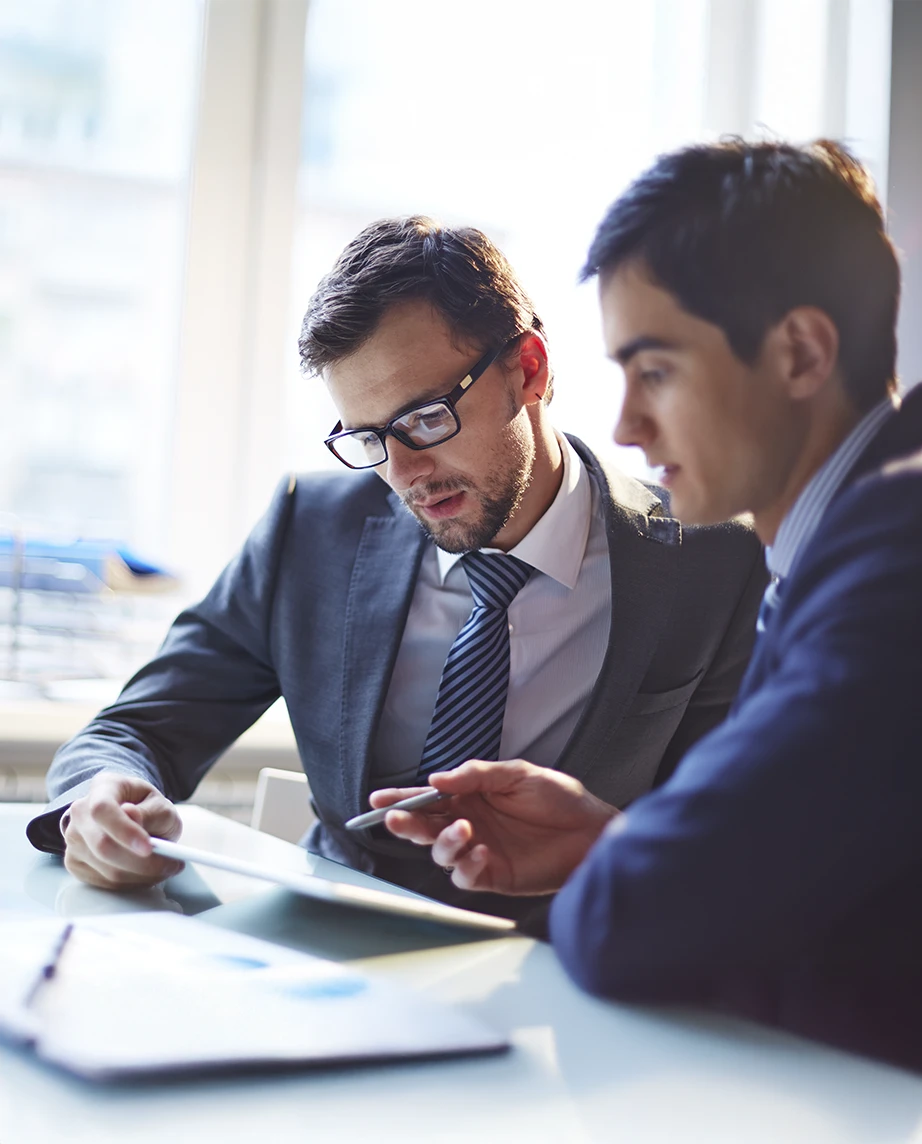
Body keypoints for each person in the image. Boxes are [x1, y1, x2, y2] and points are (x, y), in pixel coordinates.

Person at [26, 216, 765, 925]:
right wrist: (96, 799)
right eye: (368, 438)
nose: (405, 472)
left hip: (567, 970)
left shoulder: (711, 560)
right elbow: (134, 730)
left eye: (425, 419)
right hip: (330, 954)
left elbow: (734, 839)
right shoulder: (307, 531)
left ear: (529, 370)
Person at [377, 141, 922, 1065]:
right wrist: (615, 842)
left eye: (656, 370)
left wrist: (630, 868)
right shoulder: (851, 532)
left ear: (799, 352)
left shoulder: (894, 556)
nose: (625, 426)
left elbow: (638, 922)